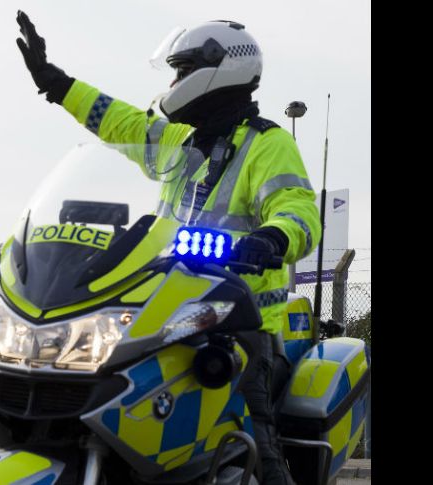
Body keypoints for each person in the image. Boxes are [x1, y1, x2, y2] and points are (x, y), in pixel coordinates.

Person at [16, 12, 321, 485]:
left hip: (241, 327)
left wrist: (272, 237)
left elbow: (299, 209)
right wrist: (57, 84)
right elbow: (119, 123)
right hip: (170, 318)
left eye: (182, 71)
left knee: (254, 429)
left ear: (219, 70)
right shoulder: (180, 142)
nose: (175, 82)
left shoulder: (268, 145)